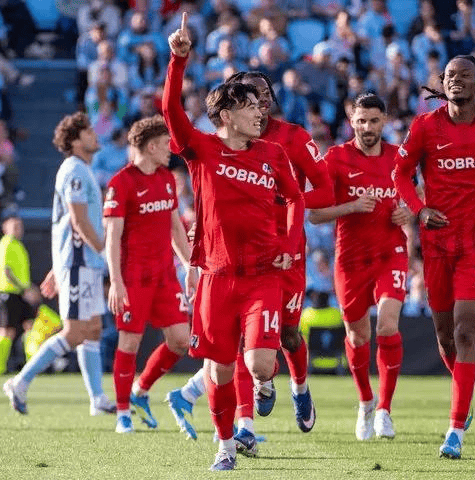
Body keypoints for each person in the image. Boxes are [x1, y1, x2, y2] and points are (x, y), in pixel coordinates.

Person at [163, 13, 304, 471]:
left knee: (260, 363)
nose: (260, 113)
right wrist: (178, 61)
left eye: (261, 107)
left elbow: (295, 198)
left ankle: (265, 383)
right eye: (250, 107)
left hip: (263, 276)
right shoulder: (202, 149)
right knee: (220, 369)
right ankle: (225, 447)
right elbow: (170, 112)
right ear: (226, 115)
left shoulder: (273, 153)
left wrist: (288, 243)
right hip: (216, 277)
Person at [166, 70, 334, 451]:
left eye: (263, 96)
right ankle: (241, 428)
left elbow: (319, 191)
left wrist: (278, 211)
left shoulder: (290, 140)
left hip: (282, 256)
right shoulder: (212, 146)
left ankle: (299, 387)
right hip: (230, 264)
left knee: (288, 336)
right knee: (237, 347)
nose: (260, 105)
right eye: (251, 99)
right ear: (231, 110)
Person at [393, 55, 475, 458]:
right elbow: (400, 174)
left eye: (465, 75)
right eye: (450, 75)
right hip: (437, 242)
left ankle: (454, 431)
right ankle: (462, 393)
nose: (456, 80)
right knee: (445, 338)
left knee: (466, 332)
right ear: (443, 82)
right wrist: (419, 210)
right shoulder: (424, 126)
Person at [309, 93, 410, 441]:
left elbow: (418, 194)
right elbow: (315, 214)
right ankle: (366, 401)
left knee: (387, 325)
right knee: (357, 335)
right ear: (351, 121)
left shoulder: (398, 157)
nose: (367, 127)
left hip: (390, 252)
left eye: (374, 121)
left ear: (385, 121)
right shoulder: (336, 158)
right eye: (361, 121)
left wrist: (409, 211)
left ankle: (385, 409)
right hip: (350, 260)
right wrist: (350, 207)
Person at [3, 112, 115, 417]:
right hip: (80, 262)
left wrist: (58, 266)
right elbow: (77, 220)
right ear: (75, 140)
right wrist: (103, 251)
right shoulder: (74, 169)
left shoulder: (82, 169)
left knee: (93, 329)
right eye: (88, 131)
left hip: (82, 262)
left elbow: (66, 223)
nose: (95, 135)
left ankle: (97, 398)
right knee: (75, 331)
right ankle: (20, 382)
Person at [104, 115, 195, 434]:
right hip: (133, 277)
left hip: (164, 275)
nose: (172, 149)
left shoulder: (167, 179)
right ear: (152, 146)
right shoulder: (121, 183)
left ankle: (140, 390)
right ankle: (122, 413)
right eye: (167, 144)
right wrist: (116, 281)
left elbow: (175, 229)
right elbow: (112, 237)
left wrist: (189, 265)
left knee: (181, 340)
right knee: (129, 342)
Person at [0, 213, 39, 376]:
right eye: (15, 226)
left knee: (29, 326)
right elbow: (7, 272)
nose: (19, 229)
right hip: (9, 293)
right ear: (5, 228)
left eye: (20, 226)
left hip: (21, 293)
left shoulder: (18, 245)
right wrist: (25, 289)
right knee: (7, 330)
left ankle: (32, 365)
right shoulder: (6, 244)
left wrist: (29, 288)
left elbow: (21, 273)